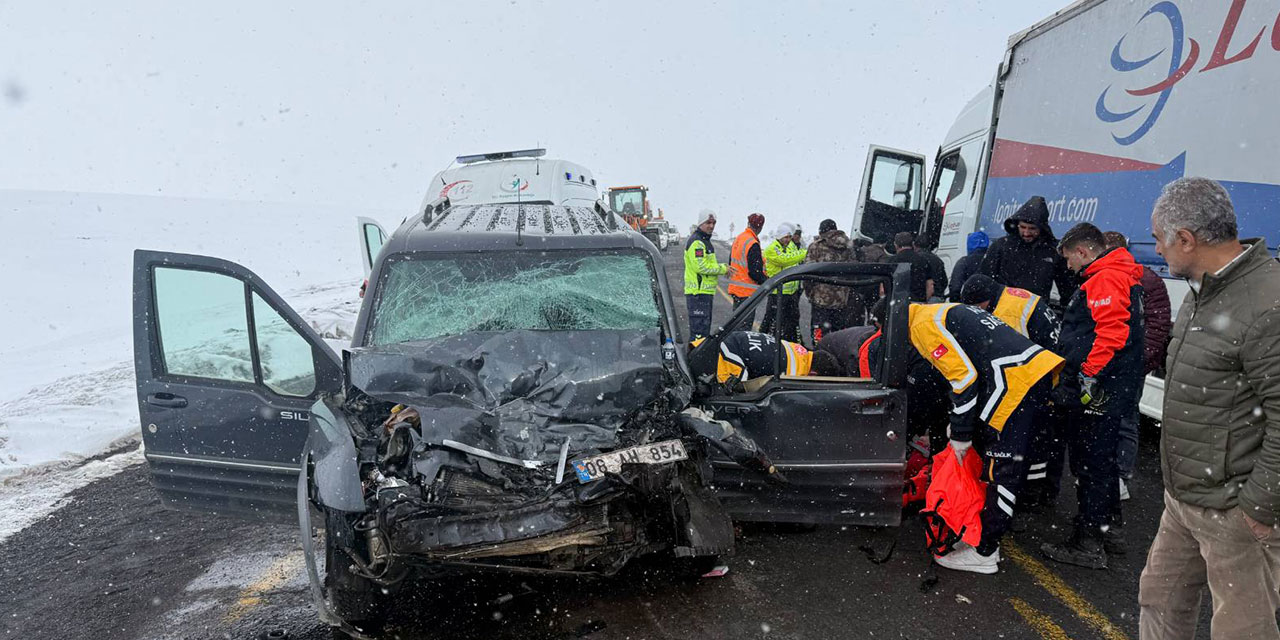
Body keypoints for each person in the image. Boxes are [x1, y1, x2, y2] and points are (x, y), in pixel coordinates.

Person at [1137, 178, 1280, 640]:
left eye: (1160, 238)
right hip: (1184, 499)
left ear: (1186, 239)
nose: (1156, 250)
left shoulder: (1265, 303)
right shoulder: (1206, 290)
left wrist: (1257, 506)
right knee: (1159, 600)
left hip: (1235, 510)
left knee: (1242, 629)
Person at [909, 302, 1064, 574]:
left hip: (1015, 383)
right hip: (1035, 372)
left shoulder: (920, 326)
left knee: (1001, 470)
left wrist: (960, 432)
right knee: (1011, 463)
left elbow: (964, 378)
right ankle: (993, 534)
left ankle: (986, 551)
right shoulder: (940, 310)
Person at [1040, 223, 1144, 570]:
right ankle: (1108, 529)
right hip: (1114, 386)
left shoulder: (1105, 279)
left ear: (1082, 252)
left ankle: (1088, 541)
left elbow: (1112, 334)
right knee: (1103, 461)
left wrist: (1086, 374)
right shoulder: (1118, 274)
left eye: (1069, 259)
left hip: (1101, 389)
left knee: (1091, 463)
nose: (1068, 266)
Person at [1103, 231, 1172, 501]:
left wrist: (1137, 360)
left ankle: (1119, 477)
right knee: (1108, 420)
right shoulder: (1106, 278)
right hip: (1109, 364)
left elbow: (1157, 327)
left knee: (1126, 420)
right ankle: (1105, 474)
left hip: (1128, 367)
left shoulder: (1147, 281)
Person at [980, 196, 1077, 301]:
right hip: (1001, 309)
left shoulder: (1052, 251)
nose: (1026, 233)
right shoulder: (1001, 246)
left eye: (1032, 229)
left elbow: (1067, 288)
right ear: (1017, 225)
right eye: (1022, 227)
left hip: (1034, 311)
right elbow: (983, 279)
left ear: (1042, 228)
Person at [696, 330, 841, 385]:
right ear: (813, 374)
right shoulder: (794, 372)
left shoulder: (798, 350)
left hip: (720, 341)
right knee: (731, 398)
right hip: (728, 358)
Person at [959, 274, 1058, 350]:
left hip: (1049, 361)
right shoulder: (1008, 293)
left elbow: (1014, 353)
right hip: (1057, 345)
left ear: (980, 303)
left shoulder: (1006, 314)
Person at [804, 219, 856, 341]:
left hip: (821, 299)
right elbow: (853, 271)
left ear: (822, 231)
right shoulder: (848, 246)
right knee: (839, 334)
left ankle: (820, 355)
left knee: (819, 333)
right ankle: (838, 356)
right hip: (842, 299)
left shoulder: (816, 246)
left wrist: (810, 293)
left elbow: (808, 273)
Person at [683, 211, 728, 341]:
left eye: (714, 223)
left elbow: (706, 264)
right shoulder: (697, 242)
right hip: (698, 294)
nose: (711, 226)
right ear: (700, 223)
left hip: (705, 294)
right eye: (708, 223)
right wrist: (723, 269)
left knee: (703, 333)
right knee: (698, 334)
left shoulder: (704, 241)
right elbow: (701, 266)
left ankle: (699, 358)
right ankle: (694, 359)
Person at [761, 223, 807, 342]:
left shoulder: (790, 246)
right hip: (777, 291)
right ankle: (764, 340)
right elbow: (785, 260)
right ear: (779, 236)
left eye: (789, 237)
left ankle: (792, 342)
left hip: (790, 292)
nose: (788, 240)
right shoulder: (772, 248)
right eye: (785, 237)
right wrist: (805, 253)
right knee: (771, 320)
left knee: (792, 320)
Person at [727, 213, 767, 308]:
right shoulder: (752, 243)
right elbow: (755, 272)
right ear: (761, 227)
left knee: (737, 320)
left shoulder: (739, 238)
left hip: (736, 289)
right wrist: (767, 281)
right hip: (746, 292)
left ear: (748, 223)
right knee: (745, 322)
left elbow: (730, 262)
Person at [887, 231, 934, 302]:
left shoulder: (892, 261)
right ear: (912, 244)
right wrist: (923, 301)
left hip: (896, 302)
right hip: (917, 301)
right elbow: (930, 285)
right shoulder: (922, 260)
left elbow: (884, 287)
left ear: (896, 245)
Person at [948, 231, 990, 302]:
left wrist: (955, 301)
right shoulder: (992, 260)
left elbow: (955, 286)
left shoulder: (964, 261)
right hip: (989, 304)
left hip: (969, 303)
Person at [915, 235, 948, 301]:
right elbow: (944, 281)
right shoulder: (938, 260)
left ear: (915, 246)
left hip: (919, 298)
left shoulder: (915, 259)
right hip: (936, 297)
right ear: (929, 246)